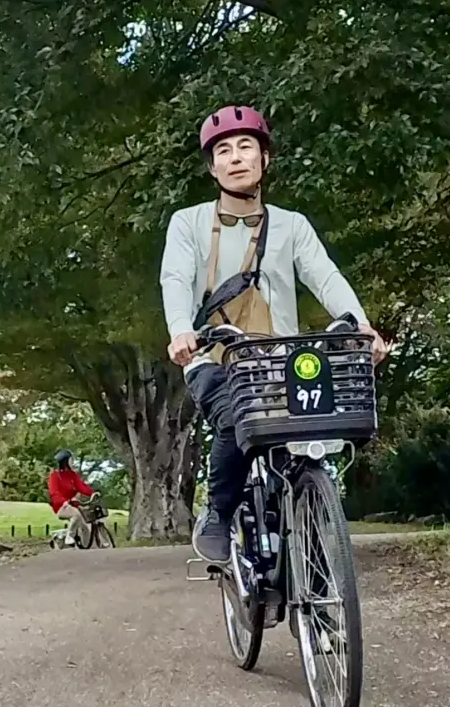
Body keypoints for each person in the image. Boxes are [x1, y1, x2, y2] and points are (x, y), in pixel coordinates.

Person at [160, 105, 387, 564]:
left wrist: (359, 323)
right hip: (214, 355)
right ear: (212, 167)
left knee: (308, 443)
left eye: (247, 147)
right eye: (224, 150)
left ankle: (310, 544)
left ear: (266, 159)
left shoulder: (291, 224)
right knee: (233, 418)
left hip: (280, 358)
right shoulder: (188, 222)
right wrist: (182, 330)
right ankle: (219, 513)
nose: (236, 157)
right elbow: (176, 279)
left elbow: (325, 276)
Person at [47, 449, 97, 548]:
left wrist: (93, 493)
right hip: (61, 506)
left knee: (85, 527)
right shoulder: (55, 476)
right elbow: (54, 493)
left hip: (71, 505)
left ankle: (85, 548)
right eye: (71, 460)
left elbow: (81, 487)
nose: (72, 462)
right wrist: (64, 502)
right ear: (65, 461)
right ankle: (69, 536)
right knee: (76, 515)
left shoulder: (73, 475)